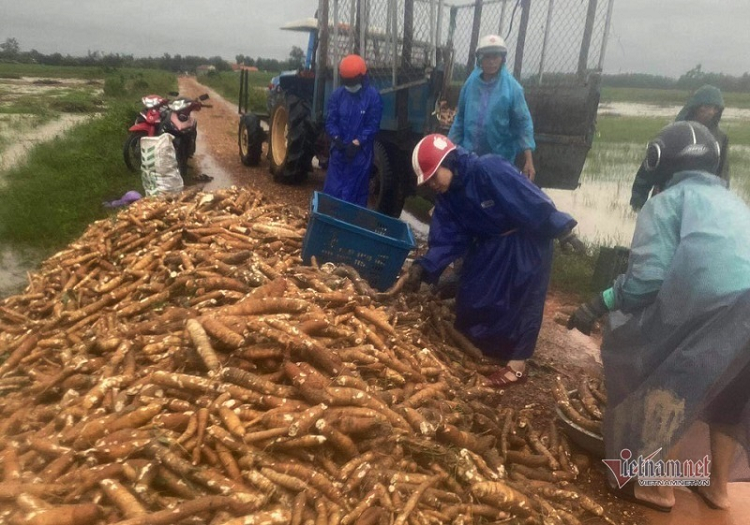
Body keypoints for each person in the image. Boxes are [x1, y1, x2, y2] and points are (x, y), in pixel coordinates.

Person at [568, 121, 750, 512]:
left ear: (658, 163)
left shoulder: (666, 202)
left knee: (676, 379)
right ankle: (717, 487)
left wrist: (599, 303)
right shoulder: (734, 201)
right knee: (733, 397)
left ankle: (656, 487)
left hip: (723, 307)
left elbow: (645, 285)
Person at [404, 134, 584, 387]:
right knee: (474, 295)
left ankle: (518, 365)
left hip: (525, 241)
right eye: (427, 180)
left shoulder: (488, 169)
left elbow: (531, 200)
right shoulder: (447, 197)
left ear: (449, 161)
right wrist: (423, 266)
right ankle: (484, 349)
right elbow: (447, 239)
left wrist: (563, 231)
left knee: (523, 300)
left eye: (434, 176)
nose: (432, 184)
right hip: (491, 244)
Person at [448, 34, 536, 180]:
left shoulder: (512, 88)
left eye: (496, 57)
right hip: (469, 157)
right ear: (480, 59)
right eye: (487, 57)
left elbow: (523, 123)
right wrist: (447, 150)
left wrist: (529, 160)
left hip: (499, 160)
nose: (491, 62)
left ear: (502, 59)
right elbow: (460, 119)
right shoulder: (470, 84)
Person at [630, 84, 729, 211]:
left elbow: (722, 173)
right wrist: (639, 201)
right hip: (667, 197)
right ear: (695, 107)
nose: (710, 112)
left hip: (701, 203)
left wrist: (721, 201)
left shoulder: (720, 138)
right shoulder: (674, 133)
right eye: (706, 106)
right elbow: (650, 167)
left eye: (715, 108)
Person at [323, 54, 383, 207]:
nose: (350, 85)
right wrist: (337, 138)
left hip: (360, 156)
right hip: (339, 152)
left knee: (354, 196)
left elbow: (373, 125)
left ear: (363, 77)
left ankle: (349, 228)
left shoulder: (373, 97)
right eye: (347, 81)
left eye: (353, 81)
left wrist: (358, 142)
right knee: (333, 193)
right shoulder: (337, 95)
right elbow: (331, 121)